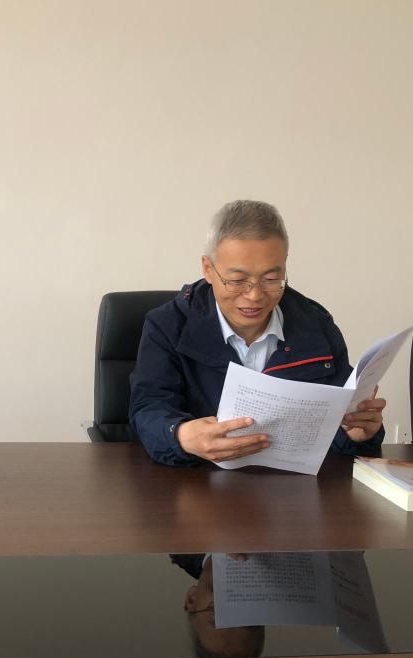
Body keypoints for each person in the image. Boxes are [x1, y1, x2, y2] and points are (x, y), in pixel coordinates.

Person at [129, 200, 385, 467]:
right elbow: (148, 409)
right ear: (208, 269)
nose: (254, 296)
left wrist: (357, 435)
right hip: (196, 480)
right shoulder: (168, 325)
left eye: (271, 279)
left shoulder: (316, 325)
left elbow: (339, 426)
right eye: (237, 280)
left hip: (291, 486)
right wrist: (180, 436)